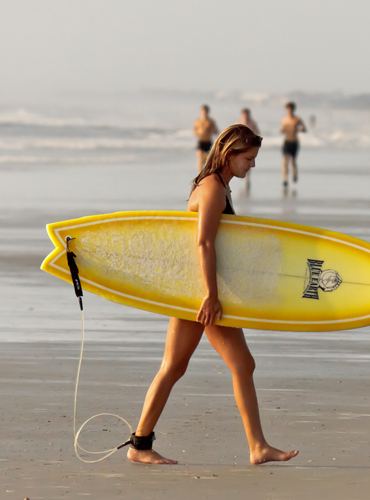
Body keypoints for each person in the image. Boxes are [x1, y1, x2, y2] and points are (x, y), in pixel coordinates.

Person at [127, 124, 299, 466]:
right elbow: (203, 243)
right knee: (232, 364)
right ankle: (256, 446)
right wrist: (211, 295)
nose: (252, 165)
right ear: (228, 154)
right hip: (202, 294)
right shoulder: (212, 191)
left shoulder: (219, 186)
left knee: (176, 367)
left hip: (194, 291)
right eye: (248, 159)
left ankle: (141, 445)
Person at [280, 101, 306, 189]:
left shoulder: (297, 120)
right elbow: (282, 130)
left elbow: (304, 129)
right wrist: (283, 130)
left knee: (293, 161)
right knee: (285, 161)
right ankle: (285, 179)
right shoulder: (284, 120)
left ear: (293, 110)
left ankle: (294, 174)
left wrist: (300, 129)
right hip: (286, 141)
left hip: (294, 142)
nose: (289, 111)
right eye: (288, 110)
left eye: (290, 110)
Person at [237, 108, 260, 192]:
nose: (245, 116)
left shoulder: (252, 123)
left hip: (249, 146)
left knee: (249, 162)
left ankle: (248, 179)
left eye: (247, 115)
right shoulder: (239, 122)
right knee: (240, 161)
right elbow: (235, 134)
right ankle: (241, 173)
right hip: (242, 145)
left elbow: (258, 132)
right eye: (244, 115)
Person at [193, 105, 219, 171]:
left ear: (208, 112)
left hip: (208, 142)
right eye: (203, 112)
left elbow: (216, 131)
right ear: (201, 112)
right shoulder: (198, 121)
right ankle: (199, 175)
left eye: (205, 112)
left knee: (207, 161)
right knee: (200, 159)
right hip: (201, 141)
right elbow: (194, 131)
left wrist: (211, 130)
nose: (204, 113)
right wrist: (197, 132)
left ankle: (205, 174)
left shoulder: (211, 121)